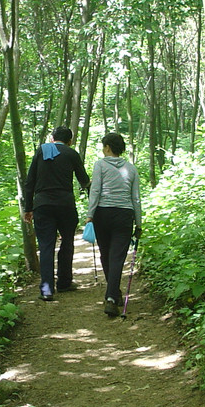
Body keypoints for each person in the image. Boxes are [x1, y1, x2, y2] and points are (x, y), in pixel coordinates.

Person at [22, 126, 90, 301]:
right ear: (70, 141)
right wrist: (94, 204)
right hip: (66, 205)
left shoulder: (41, 151)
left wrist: (28, 208)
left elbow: (29, 182)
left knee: (46, 246)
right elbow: (84, 181)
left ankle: (46, 289)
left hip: (42, 205)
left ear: (52, 138)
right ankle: (64, 283)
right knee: (67, 243)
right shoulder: (72, 154)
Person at [86, 132, 142, 318]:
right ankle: (113, 295)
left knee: (106, 254)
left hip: (103, 213)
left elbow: (95, 190)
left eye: (104, 146)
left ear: (108, 147)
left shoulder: (100, 165)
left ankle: (111, 296)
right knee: (117, 257)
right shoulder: (131, 169)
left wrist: (90, 215)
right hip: (125, 215)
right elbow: (136, 199)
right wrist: (139, 224)